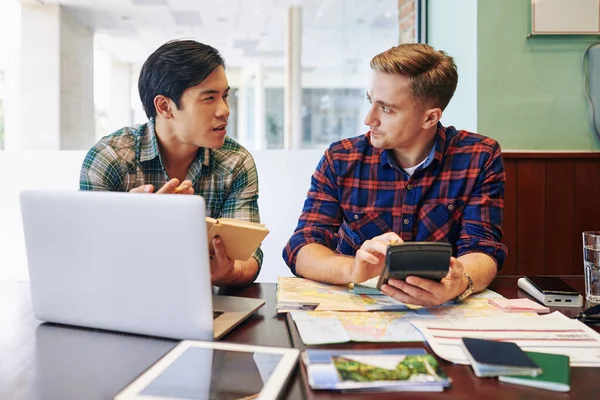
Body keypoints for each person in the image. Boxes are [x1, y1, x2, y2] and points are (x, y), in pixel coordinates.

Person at [283, 43, 507, 306]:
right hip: (357, 309)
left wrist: (459, 283)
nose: (369, 119)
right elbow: (303, 246)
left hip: (440, 312)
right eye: (371, 102)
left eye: (386, 109)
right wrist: (353, 269)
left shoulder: (479, 156)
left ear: (430, 118)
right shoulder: (341, 158)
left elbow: (482, 248)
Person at [80, 39, 262, 286]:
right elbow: (87, 257)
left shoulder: (236, 162)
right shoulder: (110, 158)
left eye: (225, 96)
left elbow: (248, 256)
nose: (225, 110)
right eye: (209, 98)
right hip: (124, 297)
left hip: (203, 303)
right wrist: (129, 220)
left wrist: (229, 273)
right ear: (165, 106)